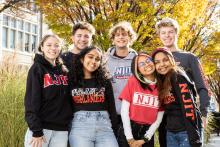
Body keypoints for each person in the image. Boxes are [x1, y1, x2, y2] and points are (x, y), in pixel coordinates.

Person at [155, 17, 211, 146]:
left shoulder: (189, 58)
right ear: (159, 35)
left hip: (189, 119)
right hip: (167, 121)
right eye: (163, 32)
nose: (167, 35)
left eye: (170, 32)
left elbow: (203, 87)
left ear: (176, 33)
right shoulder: (157, 59)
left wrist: (204, 112)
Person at [24, 34, 72, 147]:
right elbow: (31, 101)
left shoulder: (64, 71)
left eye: (56, 45)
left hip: (61, 130)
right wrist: (36, 130)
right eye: (49, 45)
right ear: (42, 47)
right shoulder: (37, 68)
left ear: (60, 48)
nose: (53, 48)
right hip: (41, 130)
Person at [68, 46, 118, 147]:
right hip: (80, 128)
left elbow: (112, 107)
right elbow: (67, 107)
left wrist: (115, 130)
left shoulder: (105, 81)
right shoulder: (72, 80)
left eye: (97, 59)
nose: (93, 61)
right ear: (82, 59)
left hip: (105, 128)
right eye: (90, 57)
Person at [152, 47, 202, 147]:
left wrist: (194, 138)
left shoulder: (178, 76)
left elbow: (188, 106)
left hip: (185, 132)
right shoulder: (161, 80)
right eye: (157, 62)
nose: (161, 64)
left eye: (165, 60)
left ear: (172, 60)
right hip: (171, 132)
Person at [119, 52, 164, 147]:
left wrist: (145, 138)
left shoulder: (162, 86)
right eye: (141, 64)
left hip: (148, 131)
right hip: (129, 129)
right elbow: (124, 111)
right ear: (137, 70)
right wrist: (129, 138)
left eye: (148, 61)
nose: (147, 64)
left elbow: (159, 117)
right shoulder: (133, 81)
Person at [106, 21, 137, 139]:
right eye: (117, 35)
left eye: (124, 34)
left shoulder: (137, 60)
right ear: (113, 39)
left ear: (130, 38)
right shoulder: (105, 60)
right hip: (111, 114)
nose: (120, 37)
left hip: (132, 114)